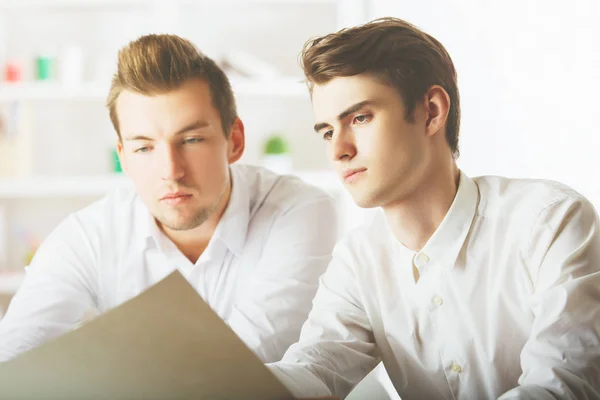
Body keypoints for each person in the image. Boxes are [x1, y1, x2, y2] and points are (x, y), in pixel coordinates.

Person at [268, 17, 600, 399]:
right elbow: (313, 368)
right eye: (327, 131)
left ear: (431, 111)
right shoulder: (358, 261)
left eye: (359, 118)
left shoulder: (551, 223)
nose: (338, 150)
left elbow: (562, 388)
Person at [0, 34, 338, 364]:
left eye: (191, 139)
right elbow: (11, 358)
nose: (171, 171)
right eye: (144, 147)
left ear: (234, 140)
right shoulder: (88, 236)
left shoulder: (296, 210)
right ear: (124, 157)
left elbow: (241, 367)